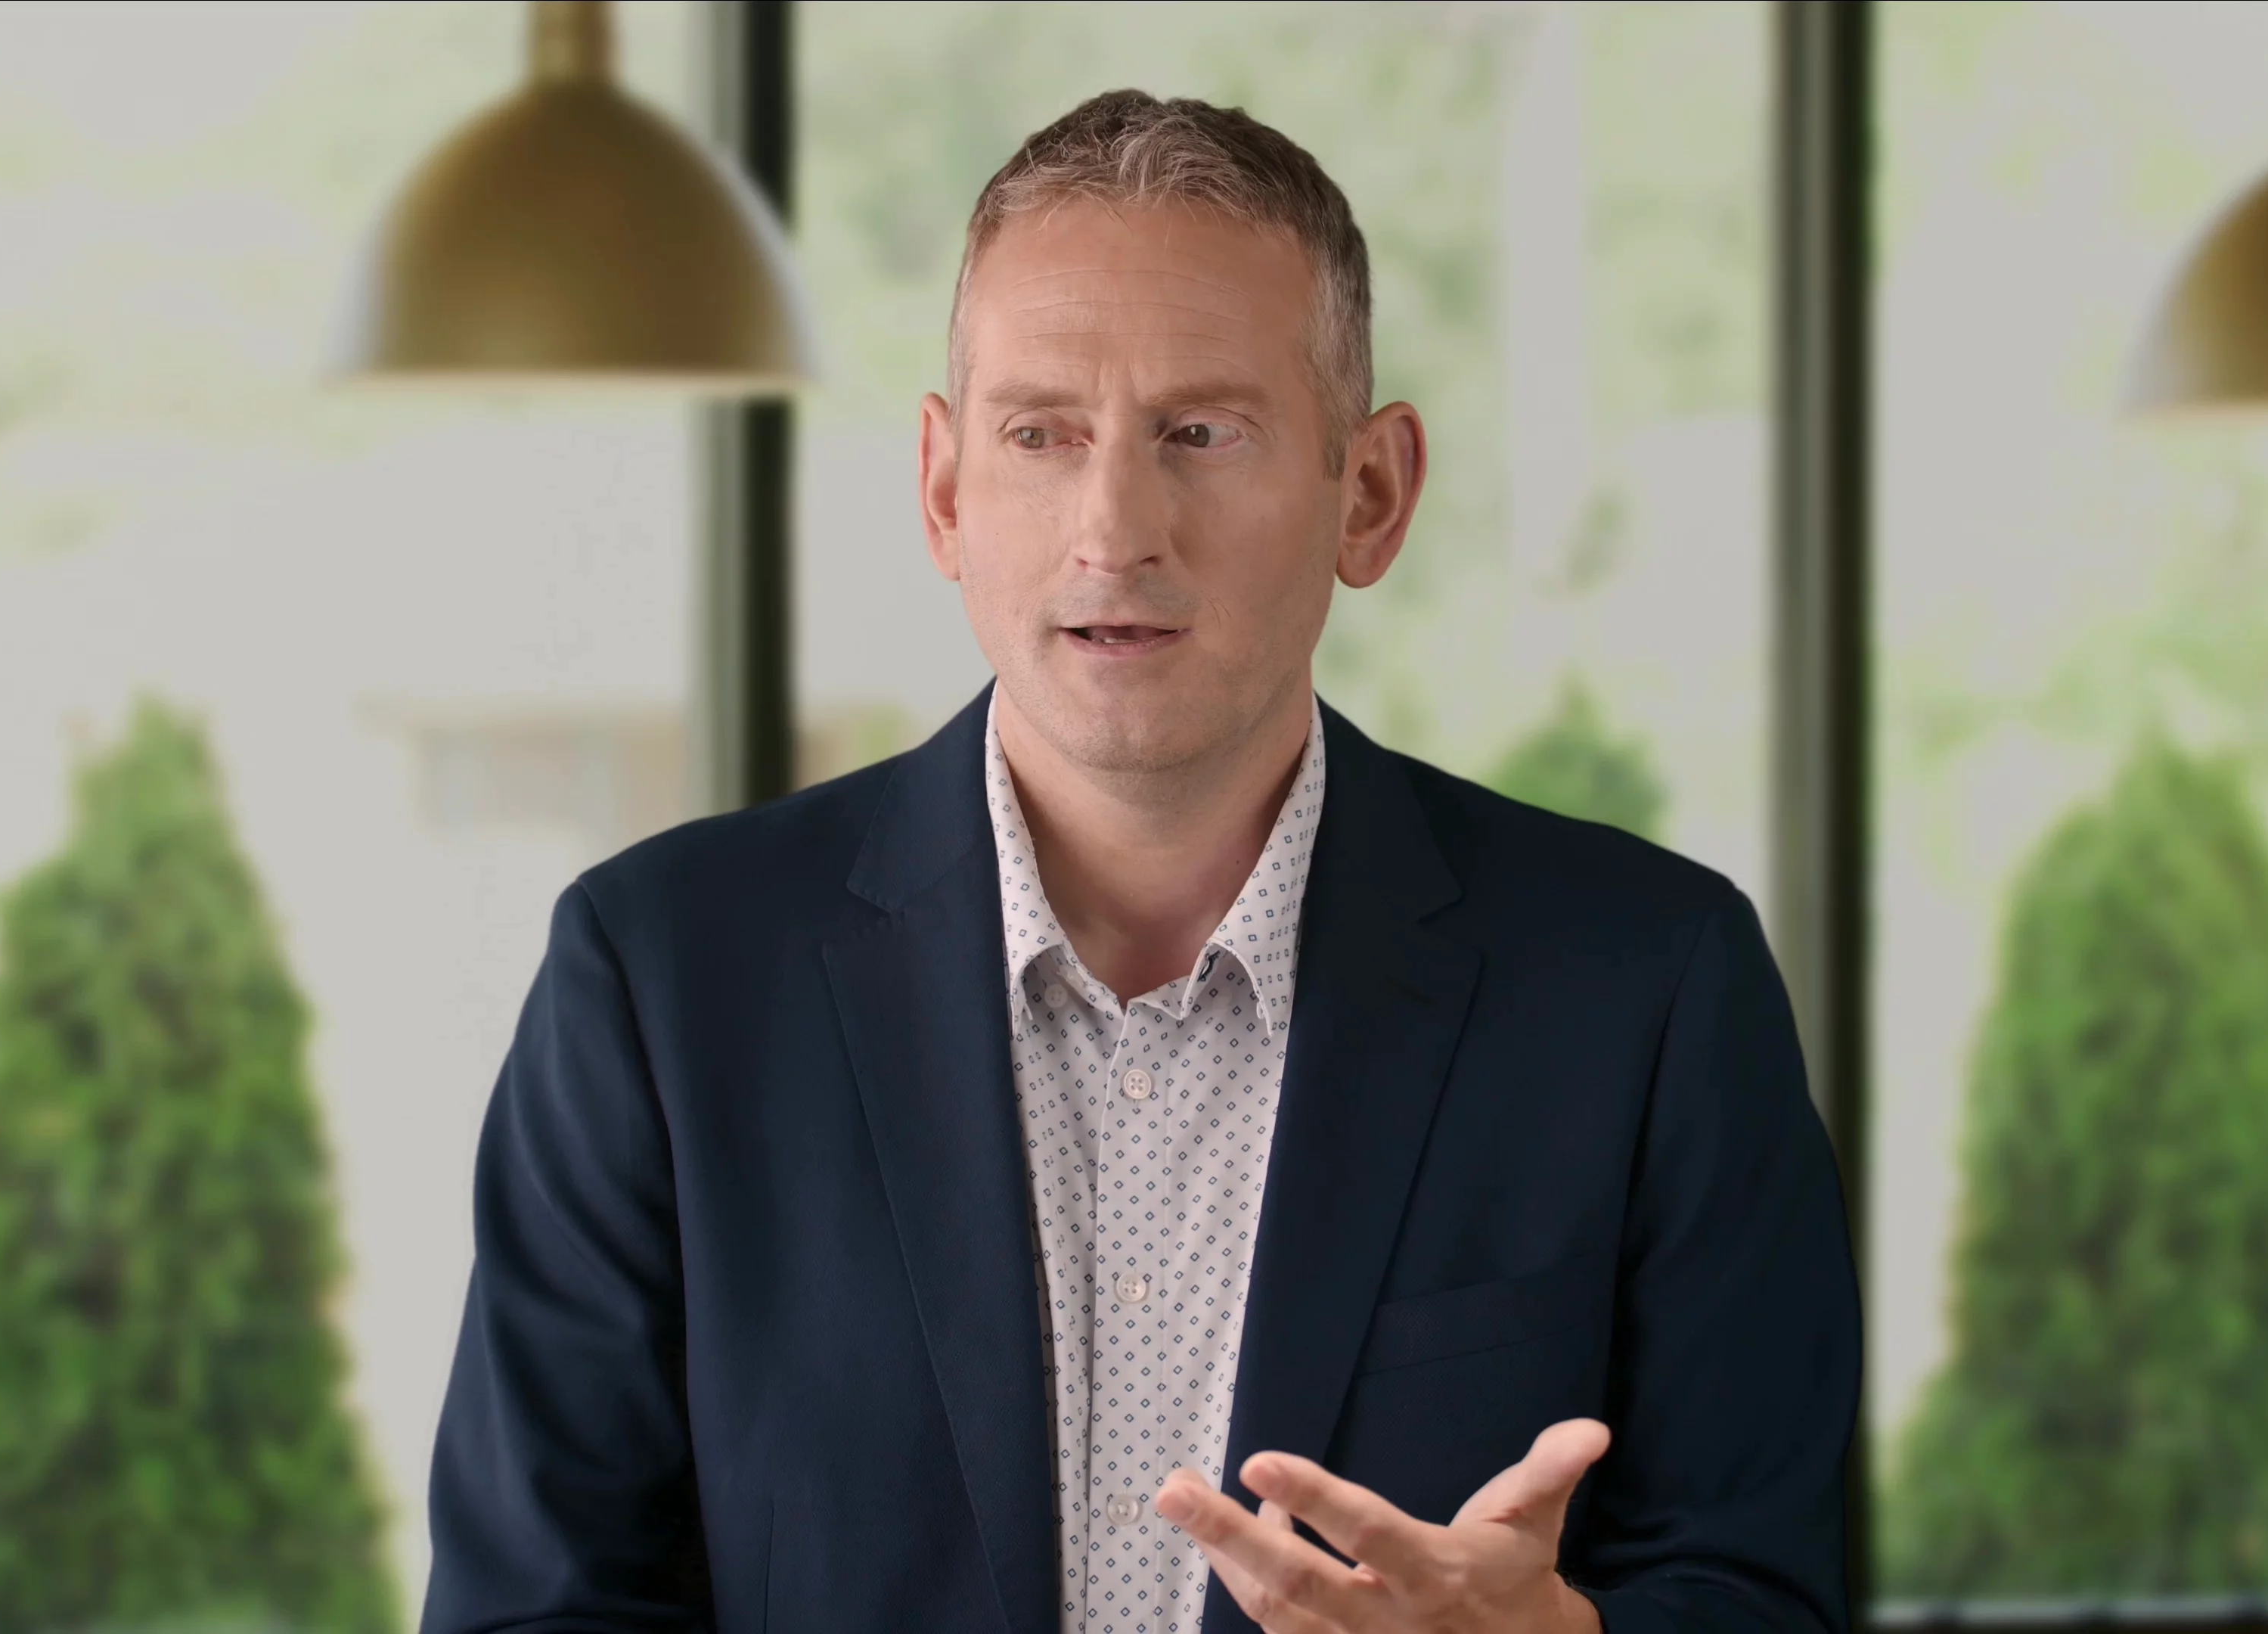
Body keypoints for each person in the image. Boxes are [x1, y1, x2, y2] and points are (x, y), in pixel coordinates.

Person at [420, 89, 1858, 1634]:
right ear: (944, 491)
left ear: (1371, 494)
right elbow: (531, 1610)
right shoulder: (656, 983)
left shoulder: (1650, 987)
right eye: (1041, 435)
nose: (1115, 529)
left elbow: (1760, 1589)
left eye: (1202, 434)